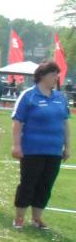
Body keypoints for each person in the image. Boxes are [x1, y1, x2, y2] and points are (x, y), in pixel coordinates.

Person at [11, 61, 71, 230]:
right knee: (28, 183)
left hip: (54, 150)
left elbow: (65, 123)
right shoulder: (28, 96)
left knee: (46, 184)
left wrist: (68, 146)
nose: (56, 78)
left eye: (57, 75)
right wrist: (16, 145)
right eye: (53, 74)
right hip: (32, 149)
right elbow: (17, 121)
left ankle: (37, 218)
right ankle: (19, 217)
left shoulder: (60, 97)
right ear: (42, 75)